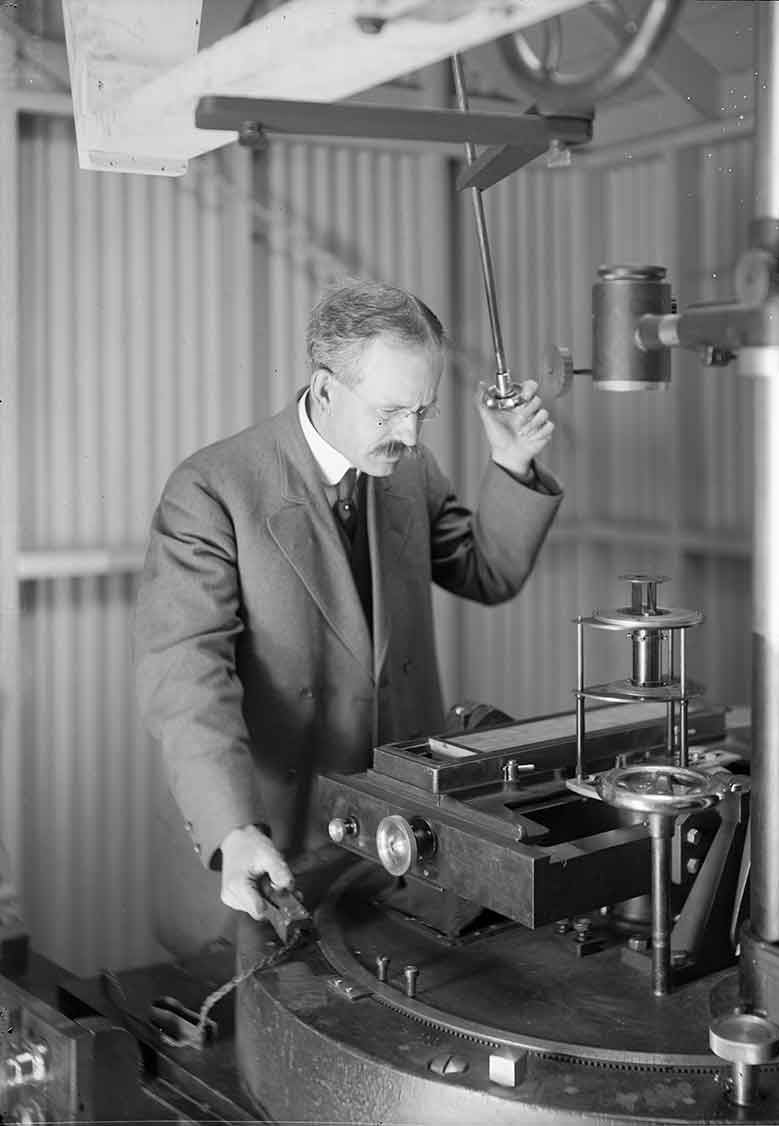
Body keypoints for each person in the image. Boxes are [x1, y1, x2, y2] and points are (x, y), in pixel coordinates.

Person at [134, 279, 562, 956]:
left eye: (423, 411)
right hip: (273, 850)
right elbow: (185, 675)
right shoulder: (213, 489)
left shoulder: (408, 469)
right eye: (391, 411)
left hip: (393, 841)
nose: (411, 435)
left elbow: (487, 572)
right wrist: (234, 828)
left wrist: (510, 465)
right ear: (326, 389)